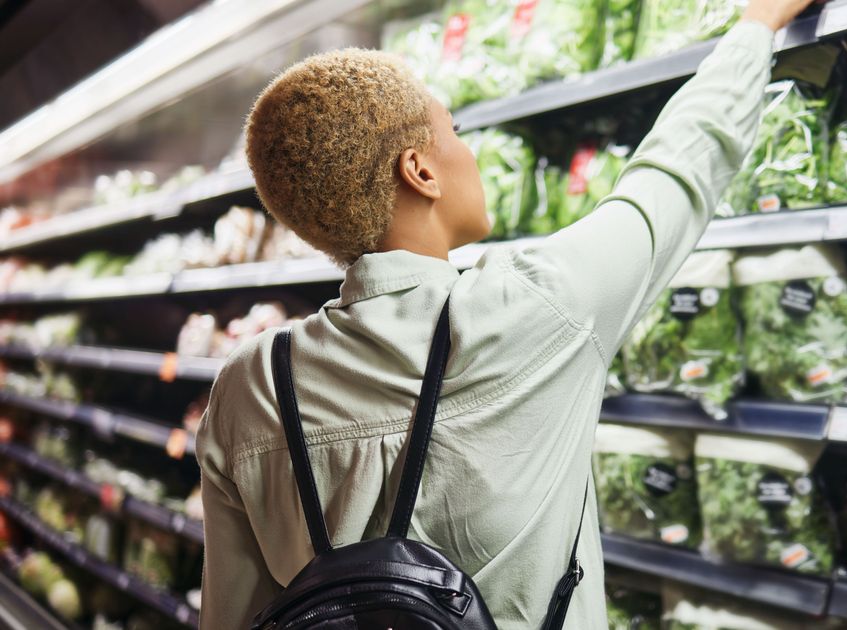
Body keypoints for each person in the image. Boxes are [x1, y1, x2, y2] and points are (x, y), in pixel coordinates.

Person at [197, 0, 814, 627]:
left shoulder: (251, 387)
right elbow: (676, 172)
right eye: (455, 131)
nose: (468, 152)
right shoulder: (535, 306)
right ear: (420, 170)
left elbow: (233, 617)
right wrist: (756, 27)